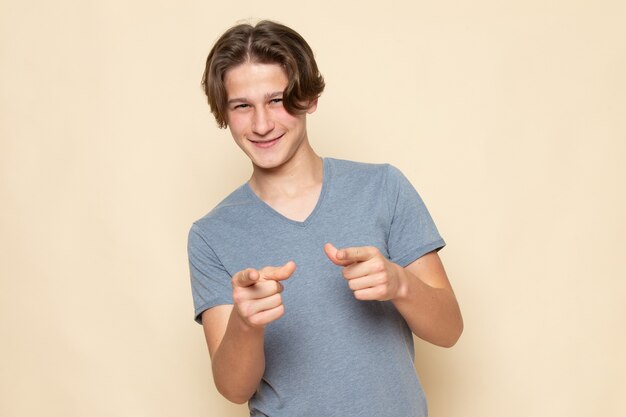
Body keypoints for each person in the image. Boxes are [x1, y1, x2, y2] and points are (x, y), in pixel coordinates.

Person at [188, 20, 463, 417]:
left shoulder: (383, 187)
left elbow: (450, 329)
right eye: (242, 106)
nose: (261, 124)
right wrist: (246, 324)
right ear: (225, 113)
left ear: (309, 98)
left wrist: (400, 283)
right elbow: (233, 389)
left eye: (277, 100)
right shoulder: (210, 235)